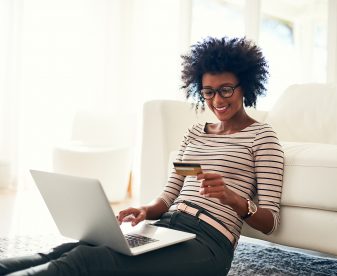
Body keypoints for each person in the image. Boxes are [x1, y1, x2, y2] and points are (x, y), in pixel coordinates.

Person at [0, 36, 284, 276]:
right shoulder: (197, 132)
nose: (217, 100)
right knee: (70, 249)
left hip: (210, 243)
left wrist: (232, 198)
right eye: (209, 92)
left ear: (245, 85)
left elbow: (270, 222)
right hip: (166, 226)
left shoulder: (262, 137)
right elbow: (170, 193)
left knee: (88, 262)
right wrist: (146, 211)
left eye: (226, 90)